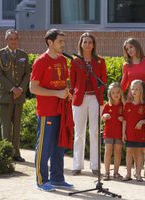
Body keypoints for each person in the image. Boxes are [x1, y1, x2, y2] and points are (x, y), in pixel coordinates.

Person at [30, 29, 73, 192]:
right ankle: (42, 180)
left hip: (61, 109)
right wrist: (56, 93)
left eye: (63, 41)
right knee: (44, 146)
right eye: (60, 41)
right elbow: (33, 88)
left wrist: (68, 93)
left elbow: (63, 82)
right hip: (47, 111)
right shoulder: (40, 61)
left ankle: (57, 178)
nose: (63, 44)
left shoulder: (62, 60)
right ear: (50, 42)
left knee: (59, 146)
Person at [70, 32, 107, 176]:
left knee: (95, 132)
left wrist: (97, 92)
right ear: (80, 44)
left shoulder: (100, 61)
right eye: (84, 42)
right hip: (79, 100)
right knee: (78, 133)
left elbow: (103, 80)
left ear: (93, 45)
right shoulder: (75, 61)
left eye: (90, 42)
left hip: (95, 99)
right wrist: (75, 93)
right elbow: (71, 82)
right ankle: (77, 165)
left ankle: (95, 165)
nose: (87, 44)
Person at [0, 29, 30, 162]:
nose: (13, 41)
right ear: (6, 40)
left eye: (15, 39)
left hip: (19, 96)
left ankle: (16, 153)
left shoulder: (23, 55)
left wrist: (20, 88)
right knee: (6, 126)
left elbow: (27, 74)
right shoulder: (0, 54)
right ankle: (6, 153)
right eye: (10, 39)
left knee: (17, 125)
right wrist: (12, 89)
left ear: (18, 40)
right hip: (6, 95)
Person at [120, 38, 145, 178]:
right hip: (132, 104)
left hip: (144, 101)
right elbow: (123, 84)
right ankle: (134, 171)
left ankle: (140, 170)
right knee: (134, 136)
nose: (129, 51)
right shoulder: (126, 65)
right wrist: (123, 101)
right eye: (127, 49)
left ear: (137, 46)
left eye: (131, 47)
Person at [122, 80, 145, 182]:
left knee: (139, 152)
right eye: (132, 89)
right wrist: (123, 133)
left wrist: (142, 121)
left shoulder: (144, 105)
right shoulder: (127, 105)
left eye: (137, 89)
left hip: (141, 133)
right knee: (129, 152)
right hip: (129, 133)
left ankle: (139, 174)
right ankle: (128, 174)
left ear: (141, 91)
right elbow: (125, 121)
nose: (134, 91)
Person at [101, 82, 125, 180]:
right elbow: (102, 118)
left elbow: (126, 118)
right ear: (109, 94)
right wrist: (104, 116)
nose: (115, 95)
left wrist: (123, 118)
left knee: (118, 152)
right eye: (113, 93)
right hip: (109, 133)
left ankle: (116, 172)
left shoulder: (123, 105)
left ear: (121, 93)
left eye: (117, 92)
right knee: (108, 152)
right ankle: (106, 172)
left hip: (119, 133)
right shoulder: (107, 105)